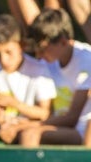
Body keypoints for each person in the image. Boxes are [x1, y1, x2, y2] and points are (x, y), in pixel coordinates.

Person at [0, 13, 56, 145]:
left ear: (22, 46)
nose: (3, 60)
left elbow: (45, 113)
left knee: (27, 137)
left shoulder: (39, 70)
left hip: (25, 125)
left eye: (9, 52)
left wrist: (13, 104)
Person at [17, 8, 91, 147]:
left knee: (30, 133)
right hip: (60, 126)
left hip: (81, 131)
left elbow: (72, 118)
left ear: (63, 42)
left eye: (43, 49)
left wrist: (25, 126)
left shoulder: (87, 60)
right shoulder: (48, 61)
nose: (39, 55)